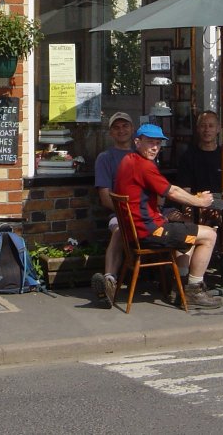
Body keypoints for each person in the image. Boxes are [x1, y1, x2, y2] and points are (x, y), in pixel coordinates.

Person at [114, 123, 222, 309]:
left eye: (158, 143)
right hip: (149, 232)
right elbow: (172, 192)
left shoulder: (127, 160)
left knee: (186, 229)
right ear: (137, 142)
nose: (155, 147)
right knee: (209, 235)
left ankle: (178, 287)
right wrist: (201, 202)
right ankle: (194, 290)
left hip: (137, 231)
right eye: (150, 142)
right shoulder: (144, 166)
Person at [174, 110, 223, 286]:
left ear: (218, 129)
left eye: (210, 126)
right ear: (197, 129)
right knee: (188, 220)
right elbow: (185, 192)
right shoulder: (189, 157)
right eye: (203, 126)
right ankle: (185, 277)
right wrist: (199, 203)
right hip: (198, 204)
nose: (206, 130)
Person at [90, 112, 135, 308]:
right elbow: (105, 197)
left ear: (132, 129)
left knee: (179, 224)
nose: (121, 130)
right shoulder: (105, 158)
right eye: (116, 127)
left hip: (147, 214)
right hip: (120, 213)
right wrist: (128, 212)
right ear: (110, 132)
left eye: (125, 126)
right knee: (119, 230)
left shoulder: (143, 155)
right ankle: (109, 282)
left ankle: (182, 280)